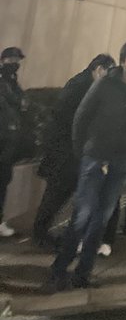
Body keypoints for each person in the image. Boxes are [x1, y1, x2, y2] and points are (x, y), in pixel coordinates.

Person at [47, 40, 126, 291]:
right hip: (95, 157)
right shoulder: (105, 85)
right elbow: (81, 117)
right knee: (82, 214)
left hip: (121, 159)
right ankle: (59, 269)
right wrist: (84, 151)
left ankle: (83, 272)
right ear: (123, 60)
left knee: (101, 218)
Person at [32, 54, 115, 247]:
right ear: (99, 69)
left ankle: (49, 233)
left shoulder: (85, 85)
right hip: (66, 152)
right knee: (57, 194)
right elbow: (72, 120)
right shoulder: (80, 87)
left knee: (65, 194)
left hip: (72, 152)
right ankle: (41, 233)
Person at [0, 46, 26, 238]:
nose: (15, 63)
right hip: (3, 138)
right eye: (12, 60)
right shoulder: (4, 81)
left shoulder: (12, 80)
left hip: (8, 139)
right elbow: (16, 102)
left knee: (3, 181)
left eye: (17, 60)